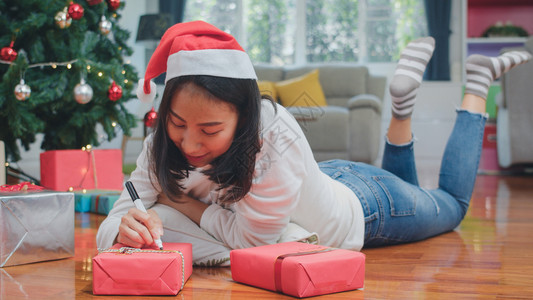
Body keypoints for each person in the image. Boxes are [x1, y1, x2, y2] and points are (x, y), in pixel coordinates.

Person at [96, 21, 532, 266]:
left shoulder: (272, 138)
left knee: (453, 206)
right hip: (327, 178)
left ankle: (477, 86)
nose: (189, 142)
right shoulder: (161, 144)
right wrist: (124, 228)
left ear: (245, 118)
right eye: (176, 123)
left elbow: (249, 245)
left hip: (368, 211)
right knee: (414, 190)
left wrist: (181, 206)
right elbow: (114, 224)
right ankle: (400, 109)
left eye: (210, 130)